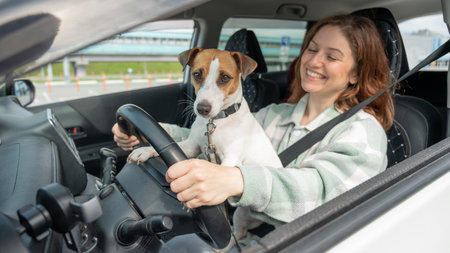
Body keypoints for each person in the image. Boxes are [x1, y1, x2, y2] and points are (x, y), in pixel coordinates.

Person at [112, 13, 393, 247]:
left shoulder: (363, 132)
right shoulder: (274, 114)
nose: (314, 61)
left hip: (309, 242)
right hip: (244, 238)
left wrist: (239, 181)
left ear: (356, 73)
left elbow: (322, 193)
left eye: (331, 56)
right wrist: (150, 132)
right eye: (312, 48)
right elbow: (209, 139)